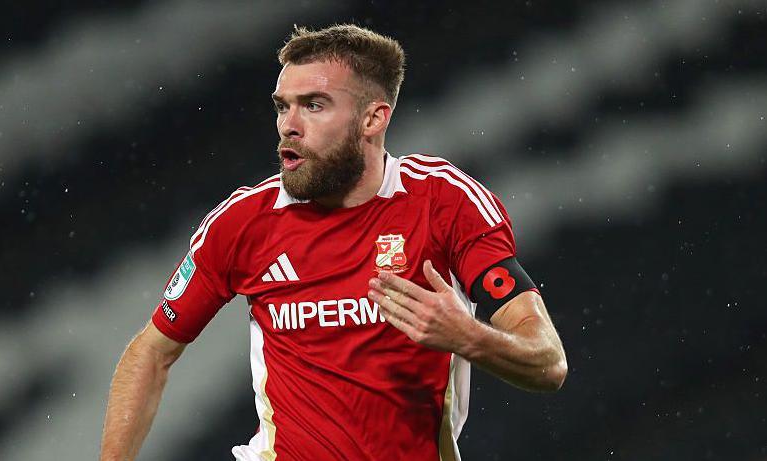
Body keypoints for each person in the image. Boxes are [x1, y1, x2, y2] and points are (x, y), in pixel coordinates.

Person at [100, 24, 567, 461]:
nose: (288, 124)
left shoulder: (443, 203)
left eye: (314, 105)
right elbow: (152, 353)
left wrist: (470, 338)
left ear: (373, 119)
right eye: (283, 106)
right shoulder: (244, 223)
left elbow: (548, 363)